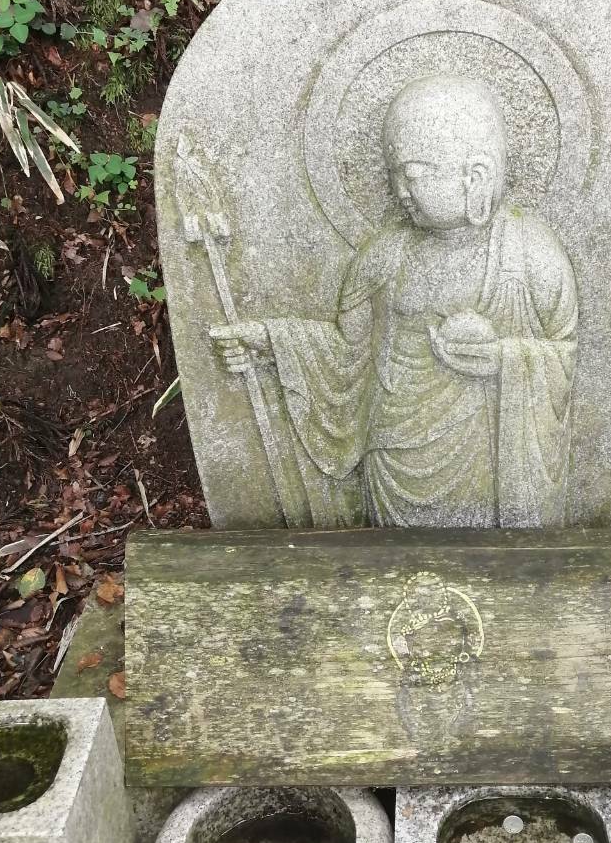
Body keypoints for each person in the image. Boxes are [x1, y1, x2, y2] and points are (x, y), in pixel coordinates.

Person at [210, 73, 578, 527]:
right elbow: (348, 351)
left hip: (488, 460)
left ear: (476, 175)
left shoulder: (532, 256)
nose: (400, 190)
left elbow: (565, 356)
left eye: (413, 173)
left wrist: (504, 359)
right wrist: (270, 342)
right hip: (392, 453)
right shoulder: (385, 254)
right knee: (397, 558)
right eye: (394, 174)